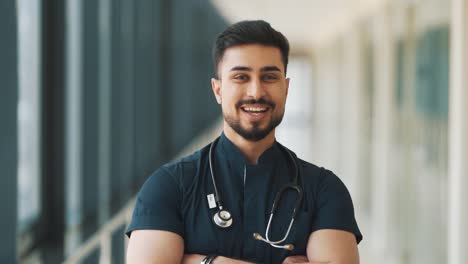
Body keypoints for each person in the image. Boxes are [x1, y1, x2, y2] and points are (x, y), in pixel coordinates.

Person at [126, 20, 362, 264]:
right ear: (218, 90)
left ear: (286, 87)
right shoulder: (170, 186)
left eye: (269, 77)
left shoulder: (324, 190)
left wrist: (195, 260)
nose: (256, 92)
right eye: (241, 77)